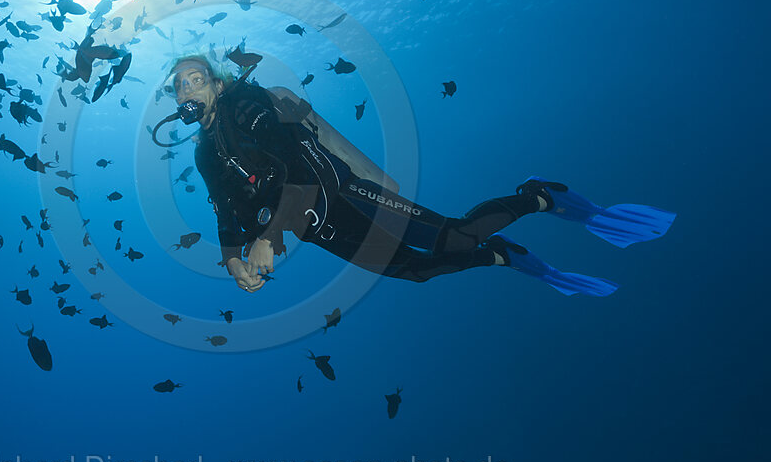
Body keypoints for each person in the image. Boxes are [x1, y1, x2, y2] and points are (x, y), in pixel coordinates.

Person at [158, 56, 675, 295]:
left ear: (218, 85)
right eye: (179, 86)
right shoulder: (206, 154)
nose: (187, 90)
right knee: (415, 272)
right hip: (321, 229)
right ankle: (501, 256)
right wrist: (231, 258)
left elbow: (298, 166)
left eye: (196, 78)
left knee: (453, 236)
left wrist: (269, 237)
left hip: (348, 194)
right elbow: (227, 210)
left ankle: (537, 197)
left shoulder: (247, 104)